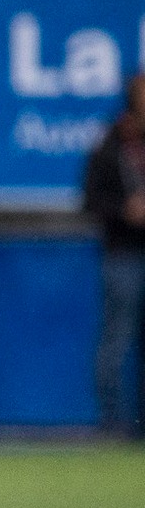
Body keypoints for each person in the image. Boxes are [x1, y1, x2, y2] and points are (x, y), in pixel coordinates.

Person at [84, 73, 145, 437]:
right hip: (123, 253)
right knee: (117, 339)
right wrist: (125, 210)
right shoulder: (111, 141)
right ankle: (113, 423)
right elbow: (90, 199)